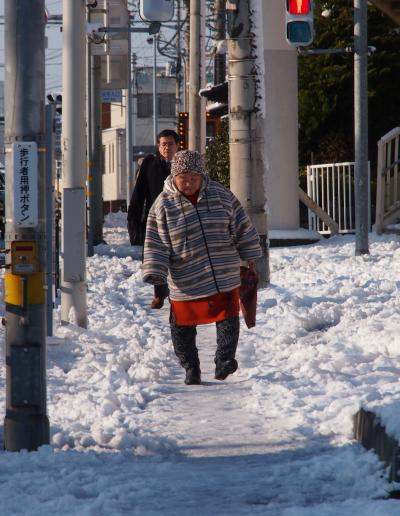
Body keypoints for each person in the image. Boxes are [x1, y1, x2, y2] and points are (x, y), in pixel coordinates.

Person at [143, 150, 262, 385]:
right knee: (182, 327)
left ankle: (224, 360)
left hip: (223, 273)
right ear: (174, 176)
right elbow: (155, 241)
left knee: (228, 317)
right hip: (186, 279)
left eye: (194, 178)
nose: (188, 183)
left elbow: (241, 226)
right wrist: (156, 274)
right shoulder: (163, 205)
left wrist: (250, 254)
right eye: (183, 178)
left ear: (202, 176)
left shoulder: (221, 195)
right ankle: (191, 367)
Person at [127, 129, 179, 309]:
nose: (166, 147)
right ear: (158, 146)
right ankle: (159, 293)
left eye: (170, 144)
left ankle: (177, 294)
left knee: (179, 257)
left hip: (180, 219)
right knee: (157, 256)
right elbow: (139, 194)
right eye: (163, 144)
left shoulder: (183, 165)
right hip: (155, 219)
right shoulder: (150, 164)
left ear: (177, 145)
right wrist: (133, 221)